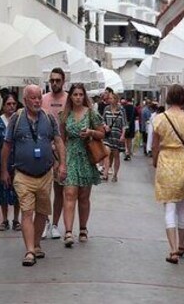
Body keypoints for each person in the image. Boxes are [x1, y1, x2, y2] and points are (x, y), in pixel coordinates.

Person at [1, 84, 67, 267]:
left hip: (45, 174)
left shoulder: (49, 118)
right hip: (23, 175)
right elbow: (6, 146)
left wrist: (62, 164)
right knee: (27, 211)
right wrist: (4, 170)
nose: (37, 101)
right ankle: (29, 250)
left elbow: (59, 142)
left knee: (42, 212)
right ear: (25, 100)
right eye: (33, 98)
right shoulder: (16, 118)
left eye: (39, 97)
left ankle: (36, 243)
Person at [152, 85, 184, 265]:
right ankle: (181, 244)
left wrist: (155, 160)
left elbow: (155, 144)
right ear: (183, 99)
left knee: (169, 208)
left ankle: (172, 249)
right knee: (183, 208)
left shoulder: (159, 119)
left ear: (168, 98)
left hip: (166, 161)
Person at [60, 83, 105, 247]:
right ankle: (68, 232)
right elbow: (61, 140)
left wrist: (91, 132)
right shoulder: (64, 115)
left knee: (84, 196)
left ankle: (83, 228)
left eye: (80, 94)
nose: (78, 97)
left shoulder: (91, 113)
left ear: (84, 96)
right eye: (75, 95)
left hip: (86, 156)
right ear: (70, 97)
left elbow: (102, 133)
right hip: (71, 155)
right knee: (70, 193)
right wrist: (60, 162)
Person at [41, 68, 68, 240]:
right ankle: (44, 222)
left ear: (63, 81)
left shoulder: (68, 100)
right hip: (43, 150)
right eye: (52, 80)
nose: (55, 83)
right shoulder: (43, 99)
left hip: (62, 151)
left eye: (58, 80)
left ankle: (56, 224)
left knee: (60, 190)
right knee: (43, 190)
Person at [0, 92, 20, 231]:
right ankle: (4, 219)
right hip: (3, 161)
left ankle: (16, 219)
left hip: (18, 160)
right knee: (3, 189)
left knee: (19, 189)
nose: (11, 106)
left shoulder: (20, 120)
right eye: (8, 104)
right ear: (3, 106)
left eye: (14, 104)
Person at [102, 89, 127, 182]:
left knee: (116, 155)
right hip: (108, 135)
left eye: (112, 98)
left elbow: (124, 124)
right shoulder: (106, 109)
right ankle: (106, 173)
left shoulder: (121, 110)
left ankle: (115, 174)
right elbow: (102, 120)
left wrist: (123, 135)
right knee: (106, 153)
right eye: (109, 98)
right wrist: (105, 126)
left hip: (117, 135)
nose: (110, 99)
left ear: (116, 99)